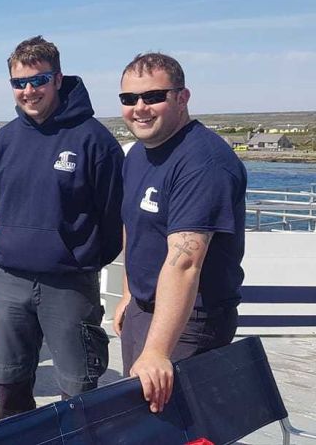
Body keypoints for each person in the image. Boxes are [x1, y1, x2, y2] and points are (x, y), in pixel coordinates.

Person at [0, 36, 123, 419]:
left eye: (38, 80)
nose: (29, 91)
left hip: (69, 283)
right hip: (10, 278)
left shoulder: (94, 139)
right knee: (8, 384)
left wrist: (78, 256)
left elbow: (113, 215)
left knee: (78, 389)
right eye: (19, 83)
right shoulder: (4, 140)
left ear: (58, 79)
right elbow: (1, 203)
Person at [113, 52, 245, 414]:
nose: (140, 108)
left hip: (189, 321)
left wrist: (157, 350)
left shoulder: (204, 162)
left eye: (153, 96)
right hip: (144, 309)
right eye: (129, 99)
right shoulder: (138, 155)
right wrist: (128, 294)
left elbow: (185, 262)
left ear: (182, 97)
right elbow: (134, 225)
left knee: (176, 425)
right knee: (141, 420)